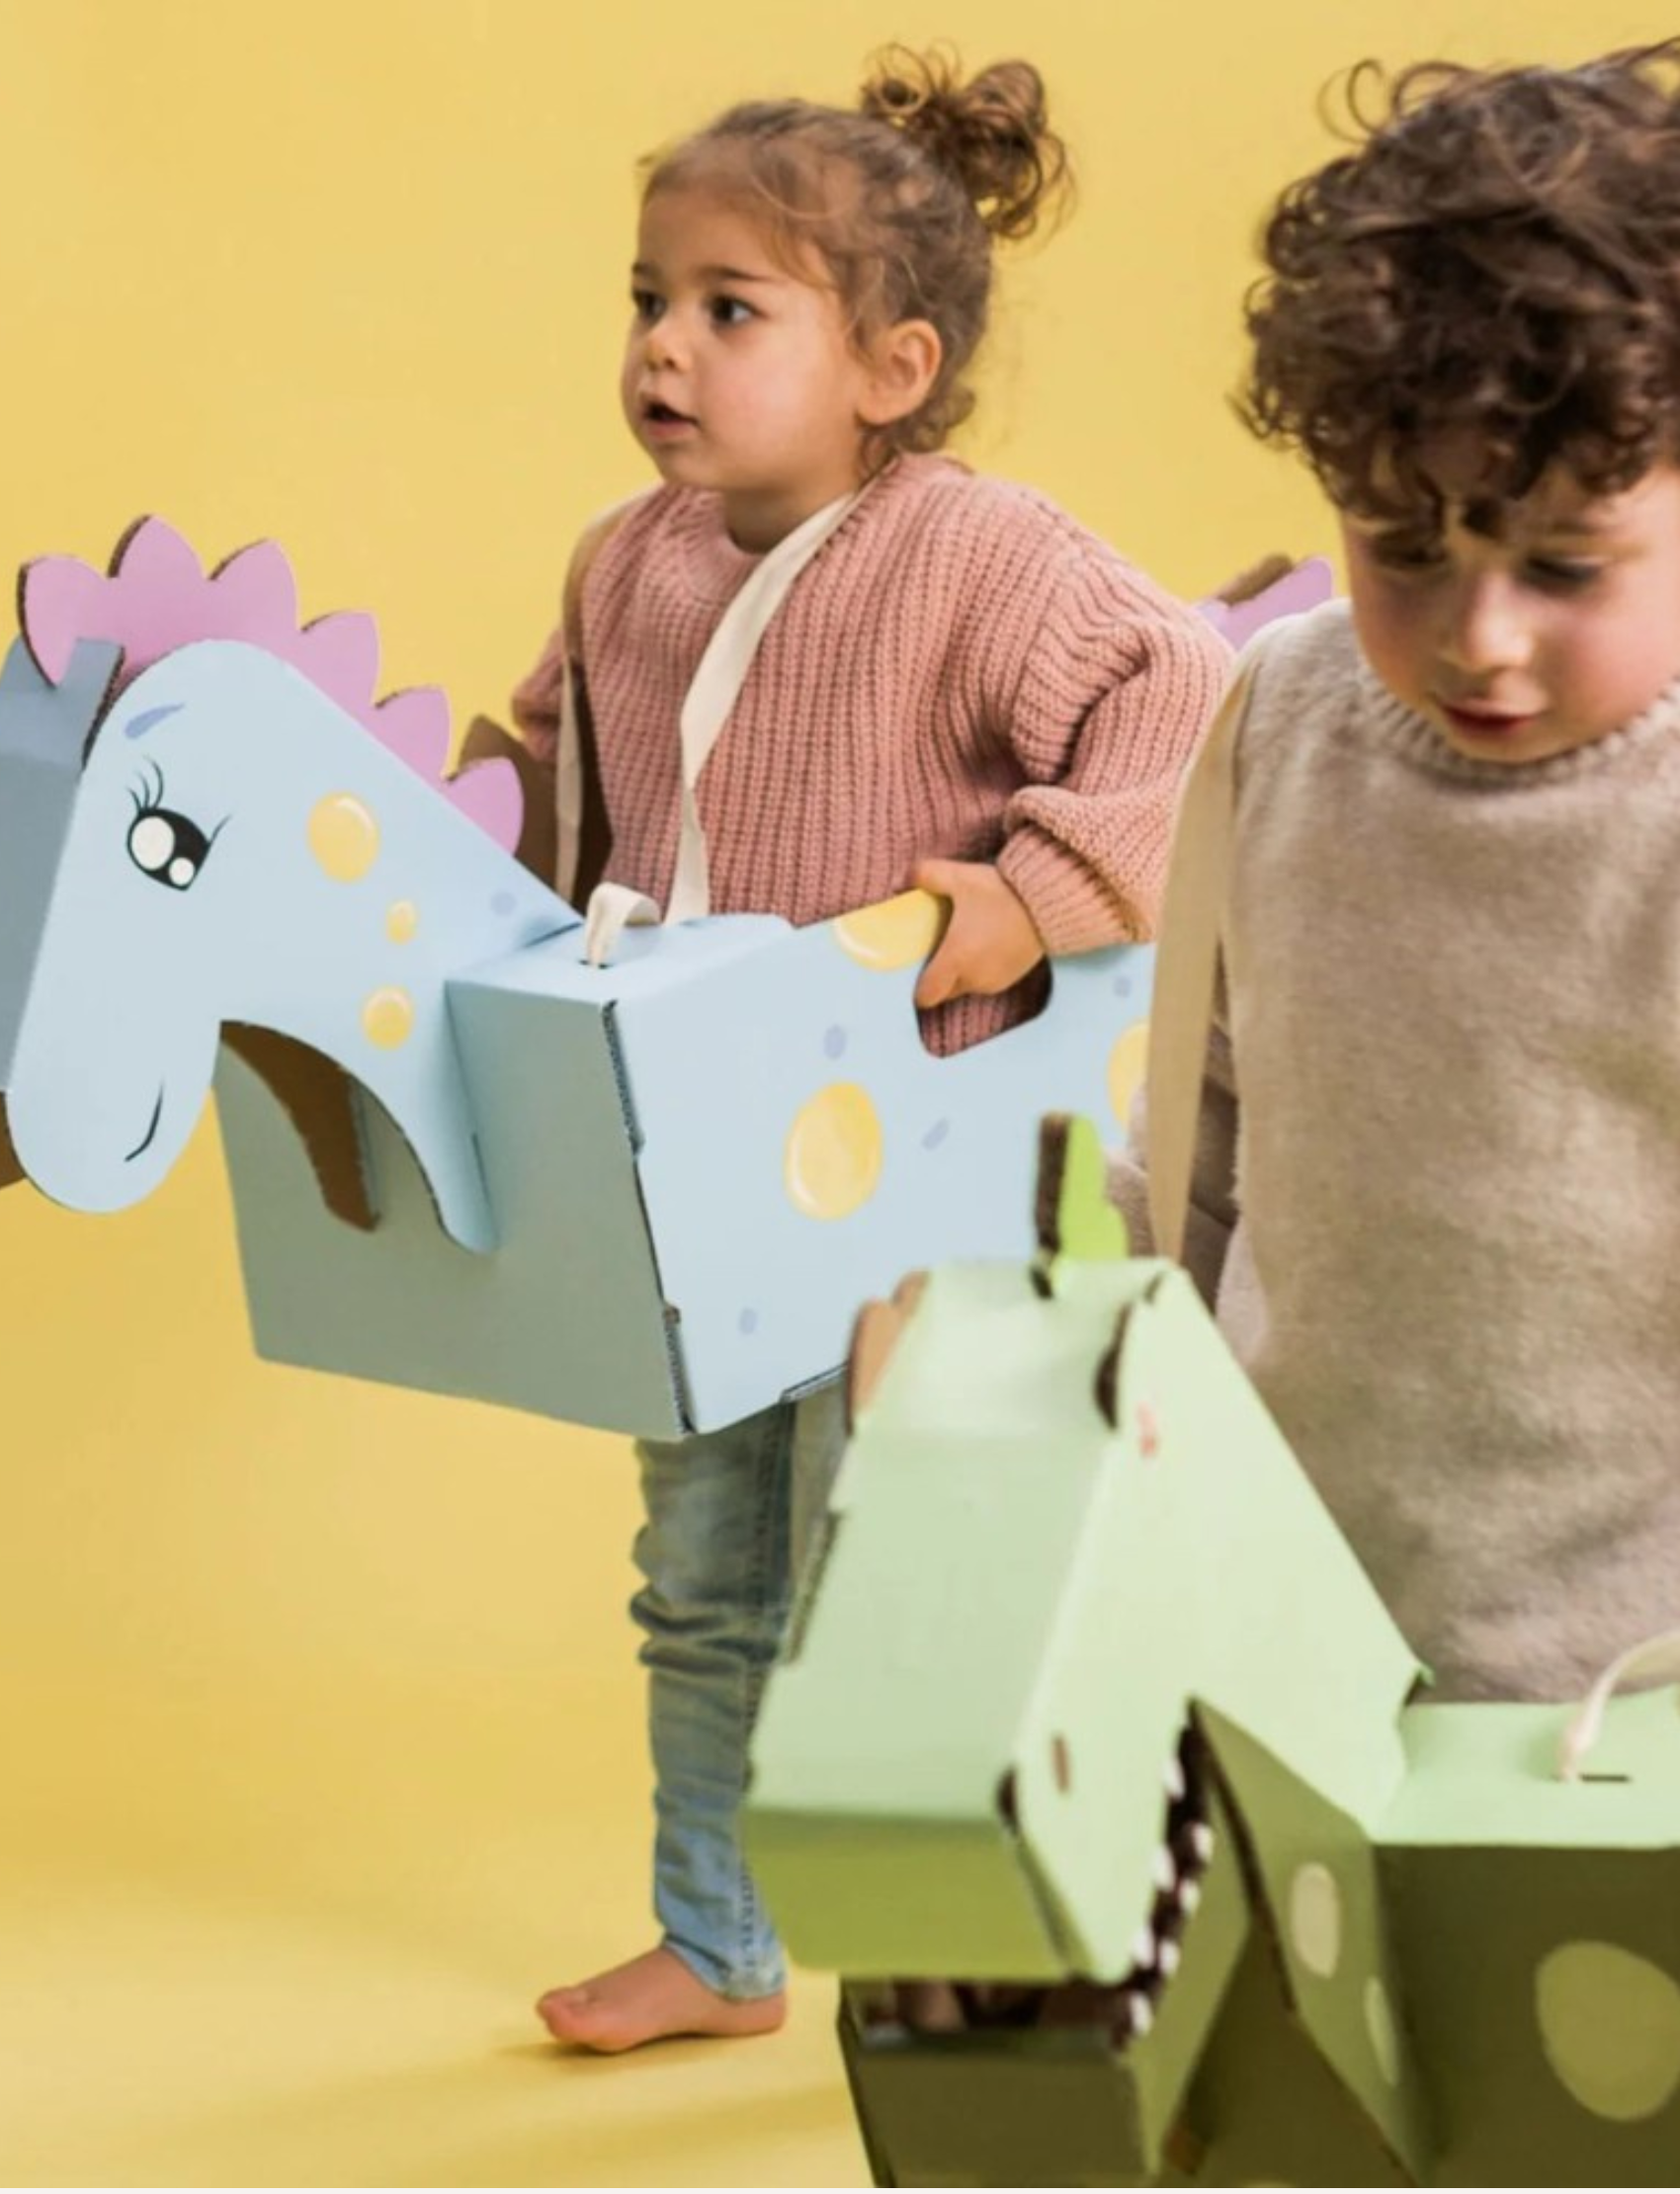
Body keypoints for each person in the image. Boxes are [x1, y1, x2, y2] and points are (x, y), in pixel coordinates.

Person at [510, 45, 1228, 2053]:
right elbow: (554, 782)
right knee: (702, 1570)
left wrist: (1021, 896)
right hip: (696, 1169)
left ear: (890, 369)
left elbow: (1185, 705)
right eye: (646, 300)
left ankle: (1032, 1932)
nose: (663, 346)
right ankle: (721, 1940)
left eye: (728, 309)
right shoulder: (625, 563)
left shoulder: (980, 559)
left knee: (902, 1557)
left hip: (912, 1170)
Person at [1113, 42, 1680, 1713]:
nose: (1479, 637)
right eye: (1405, 549)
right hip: (1291, 1642)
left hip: (1637, 1705)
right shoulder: (1282, 713)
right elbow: (1201, 1114)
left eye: (1563, 566)